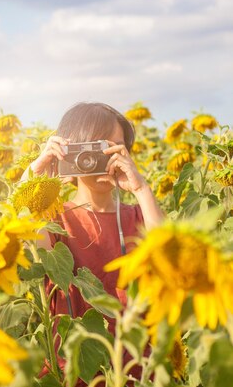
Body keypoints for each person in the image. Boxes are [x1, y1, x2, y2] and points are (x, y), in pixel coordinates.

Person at [23, 102, 164, 384]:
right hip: (73, 370)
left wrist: (141, 189)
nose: (104, 158)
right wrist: (35, 173)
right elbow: (23, 237)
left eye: (114, 148)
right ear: (69, 152)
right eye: (94, 149)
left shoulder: (138, 215)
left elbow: (169, 259)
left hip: (136, 370)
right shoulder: (54, 220)